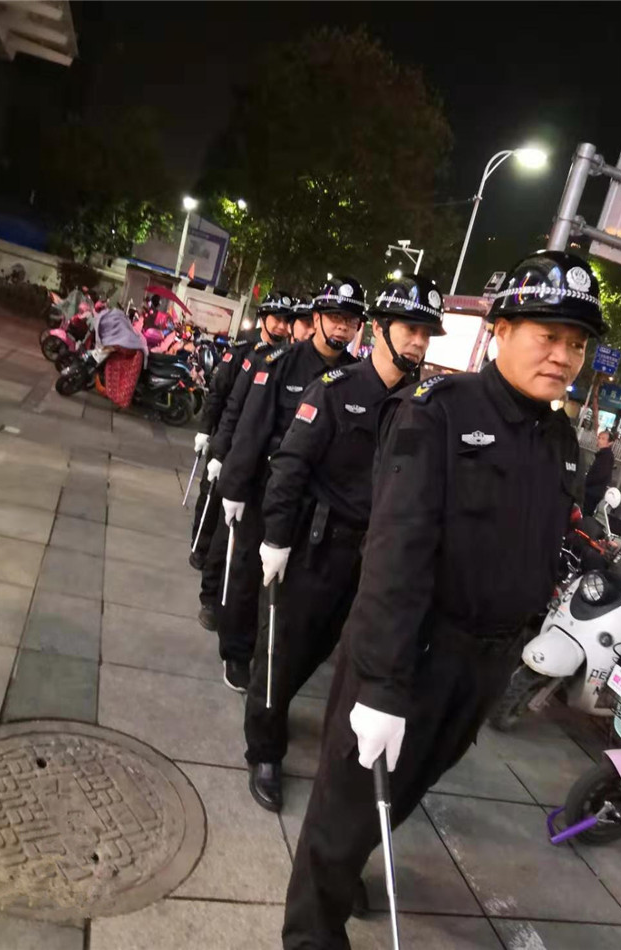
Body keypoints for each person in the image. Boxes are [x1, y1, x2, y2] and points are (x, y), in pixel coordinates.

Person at [281, 250, 606, 949]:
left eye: (577, 344)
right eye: (548, 335)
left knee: (402, 792)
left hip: (484, 664)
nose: (563, 356)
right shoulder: (439, 414)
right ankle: (311, 930)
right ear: (501, 329)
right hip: (416, 652)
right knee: (344, 807)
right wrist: (380, 685)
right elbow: (395, 555)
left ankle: (343, 871)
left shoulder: (558, 439)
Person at [245, 275, 445, 812]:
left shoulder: (422, 406)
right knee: (280, 653)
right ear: (378, 329)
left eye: (427, 334)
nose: (418, 343)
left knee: (328, 657)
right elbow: (290, 466)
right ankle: (264, 749)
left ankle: (290, 722)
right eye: (409, 329)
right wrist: (276, 539)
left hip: (373, 560)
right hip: (317, 549)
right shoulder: (335, 389)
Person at [215, 276, 364, 691]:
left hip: (315, 506)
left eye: (350, 321)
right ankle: (237, 651)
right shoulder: (281, 363)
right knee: (249, 572)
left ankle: (270, 657)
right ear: (316, 318)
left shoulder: (356, 375)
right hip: (267, 487)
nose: (342, 327)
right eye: (335, 317)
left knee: (287, 587)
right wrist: (234, 487)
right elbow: (252, 428)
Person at [189, 292, 293, 572]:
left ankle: (218, 556)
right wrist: (206, 431)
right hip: (227, 433)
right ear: (263, 318)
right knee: (211, 495)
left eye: (286, 321)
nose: (282, 326)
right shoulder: (245, 349)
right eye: (276, 319)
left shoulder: (287, 357)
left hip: (252, 441)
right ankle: (200, 547)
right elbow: (220, 392)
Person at [583, 429, 615, 515]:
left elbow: (601, 475)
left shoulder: (606, 456)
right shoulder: (602, 454)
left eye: (603, 439)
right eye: (599, 438)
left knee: (585, 513)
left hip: (593, 491)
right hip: (593, 491)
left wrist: (586, 481)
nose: (600, 440)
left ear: (610, 443)